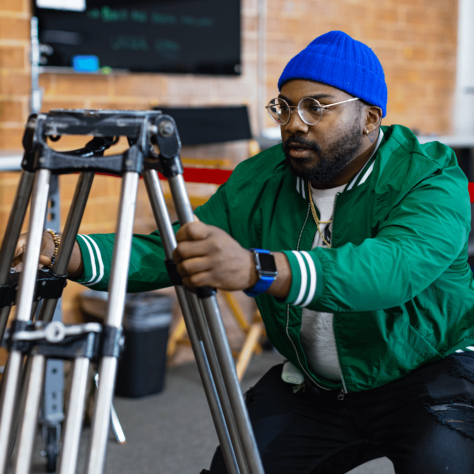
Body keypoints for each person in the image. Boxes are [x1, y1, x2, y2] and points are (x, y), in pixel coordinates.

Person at [13, 31, 474, 473]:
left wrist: (256, 268)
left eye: (317, 108)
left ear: (370, 118)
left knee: (446, 462)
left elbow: (392, 268)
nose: (294, 123)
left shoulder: (429, 178)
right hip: (316, 387)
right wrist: (66, 251)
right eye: (285, 107)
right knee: (239, 465)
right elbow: (171, 249)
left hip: (425, 374)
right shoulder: (263, 177)